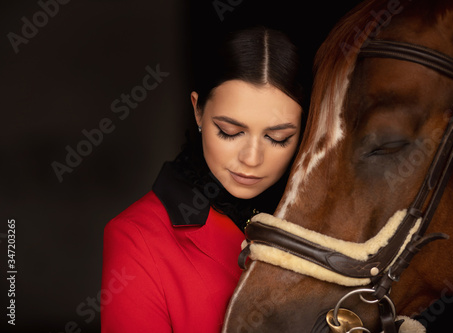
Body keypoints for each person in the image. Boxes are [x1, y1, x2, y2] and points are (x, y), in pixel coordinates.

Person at [101, 26, 306, 333]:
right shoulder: (136, 238)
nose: (251, 159)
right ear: (198, 111)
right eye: (230, 132)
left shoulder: (333, 226)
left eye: (278, 137)